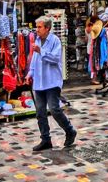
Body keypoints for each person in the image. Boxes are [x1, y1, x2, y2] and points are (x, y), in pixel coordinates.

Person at [27, 15, 76, 151]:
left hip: (52, 81)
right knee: (40, 112)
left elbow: (55, 58)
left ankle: (70, 130)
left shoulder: (55, 40)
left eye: (39, 27)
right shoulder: (37, 40)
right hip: (39, 82)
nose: (37, 30)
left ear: (47, 28)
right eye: (36, 27)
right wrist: (30, 73)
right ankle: (45, 139)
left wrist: (40, 51)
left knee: (54, 109)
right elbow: (34, 60)